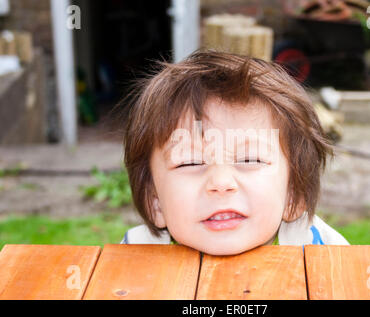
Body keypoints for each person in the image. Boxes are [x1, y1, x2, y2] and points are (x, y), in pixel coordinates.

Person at [120, 50, 349, 255]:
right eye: (189, 163)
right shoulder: (132, 260)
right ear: (154, 201)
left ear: (293, 194)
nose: (221, 182)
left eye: (250, 159)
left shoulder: (327, 258)